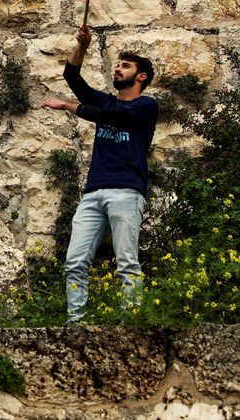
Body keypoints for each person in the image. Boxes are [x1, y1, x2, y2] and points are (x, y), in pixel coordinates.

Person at [41, 24, 158, 323]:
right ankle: (76, 321)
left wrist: (69, 106)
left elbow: (112, 115)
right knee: (75, 260)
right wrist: (82, 46)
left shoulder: (146, 105)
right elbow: (71, 76)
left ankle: (130, 322)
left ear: (140, 76)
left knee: (127, 262)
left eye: (125, 66)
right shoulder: (105, 100)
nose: (118, 69)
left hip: (126, 191)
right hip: (93, 192)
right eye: (117, 65)